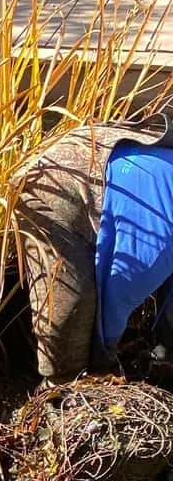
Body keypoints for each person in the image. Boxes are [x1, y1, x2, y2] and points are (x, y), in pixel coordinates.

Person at [13, 116, 173, 381]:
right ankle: (60, 385)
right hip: (59, 180)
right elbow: (120, 288)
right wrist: (103, 360)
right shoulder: (159, 241)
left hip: (105, 156)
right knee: (72, 301)